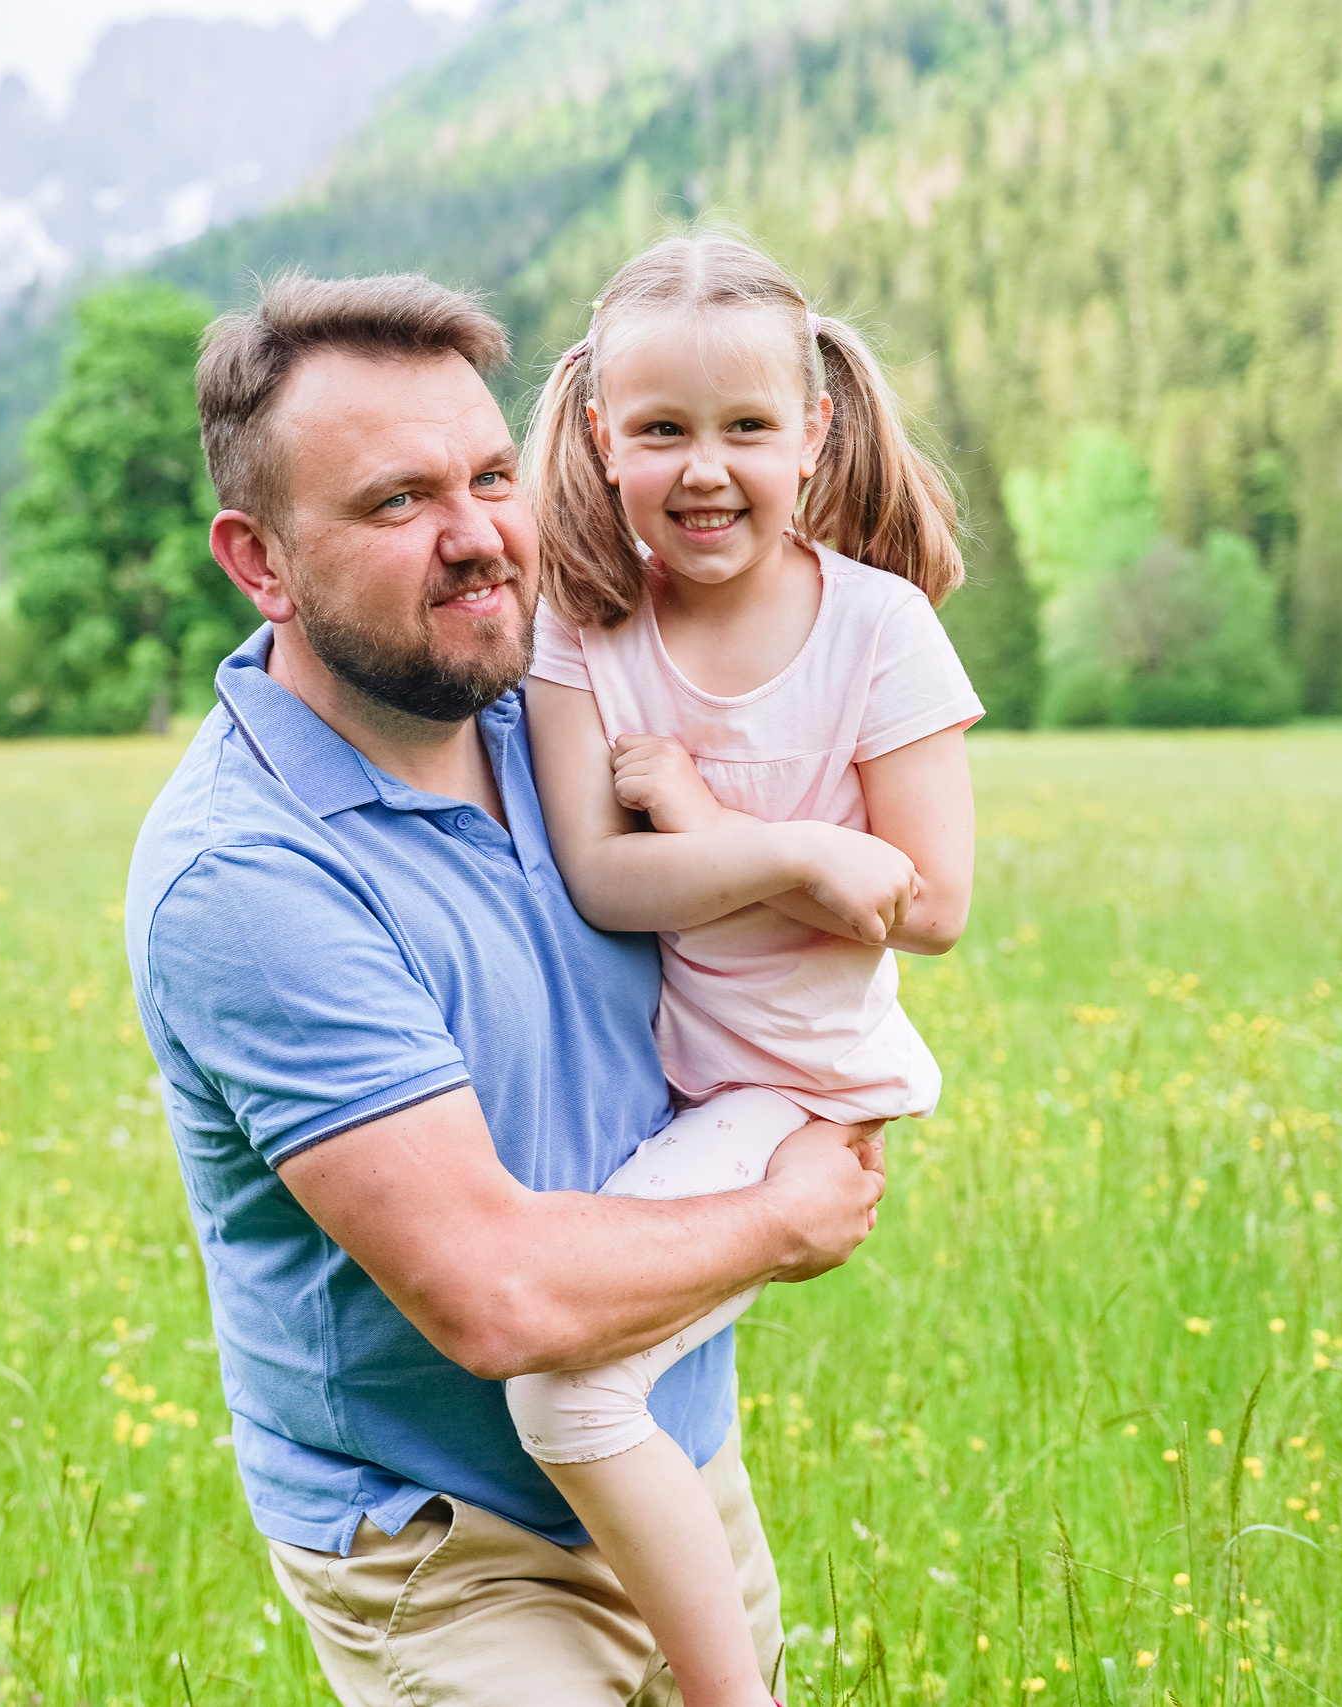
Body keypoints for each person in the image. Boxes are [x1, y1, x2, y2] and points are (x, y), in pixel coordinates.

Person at [126, 270, 906, 1704]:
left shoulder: (569, 724)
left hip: (668, 1458)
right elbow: (497, 1298)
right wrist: (783, 1217)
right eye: (396, 503)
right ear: (262, 562)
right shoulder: (246, 877)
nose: (480, 537)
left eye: (492, 476)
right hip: (449, 1546)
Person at [505, 233, 980, 1707]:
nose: (704, 471)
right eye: (661, 432)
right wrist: (797, 859)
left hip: (799, 1093)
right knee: (614, 1382)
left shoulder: (877, 630)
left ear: (815, 430)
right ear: (599, 434)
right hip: (688, 1093)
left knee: (563, 1388)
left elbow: (934, 900)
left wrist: (720, 826)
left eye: (745, 430)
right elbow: (604, 874)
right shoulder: (583, 627)